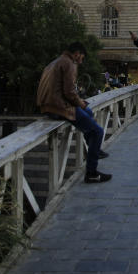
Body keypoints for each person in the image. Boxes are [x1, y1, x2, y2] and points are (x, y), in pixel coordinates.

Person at [36, 42, 111, 183]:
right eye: (81, 58)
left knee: (88, 112)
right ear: (76, 54)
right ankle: (92, 173)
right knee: (98, 132)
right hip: (59, 107)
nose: (81, 61)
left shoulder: (56, 62)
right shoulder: (69, 63)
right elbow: (69, 92)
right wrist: (80, 102)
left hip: (48, 106)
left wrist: (81, 105)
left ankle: (95, 149)